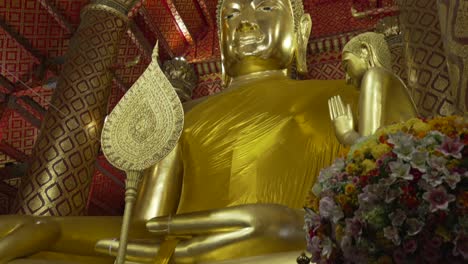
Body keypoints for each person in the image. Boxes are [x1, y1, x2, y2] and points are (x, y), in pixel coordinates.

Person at [0, 0, 358, 263]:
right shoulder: (182, 116)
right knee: (23, 236)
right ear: (220, 39)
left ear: (303, 29)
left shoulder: (347, 97)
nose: (245, 23)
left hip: (290, 251)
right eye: (231, 15)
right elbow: (146, 232)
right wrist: (54, 231)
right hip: (178, 255)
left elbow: (389, 208)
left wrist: (302, 227)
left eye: (265, 8)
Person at [328, 32, 418, 145]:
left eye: (347, 66)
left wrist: (346, 134)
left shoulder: (375, 75)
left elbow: (369, 145)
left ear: (365, 51)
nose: (346, 79)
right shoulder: (384, 80)